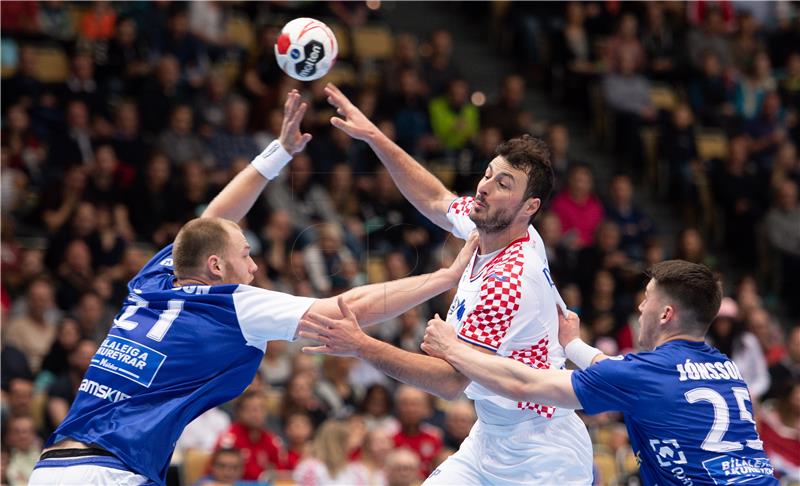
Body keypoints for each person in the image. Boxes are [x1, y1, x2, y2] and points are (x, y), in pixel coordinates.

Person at [27, 91, 476, 486]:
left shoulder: (153, 281)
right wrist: (443, 278)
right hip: (110, 473)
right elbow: (345, 308)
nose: (256, 266)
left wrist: (278, 152)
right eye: (246, 254)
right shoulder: (232, 304)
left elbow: (209, 223)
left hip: (53, 468)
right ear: (216, 265)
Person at [300, 84, 593, 484]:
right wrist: (375, 137)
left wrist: (361, 345)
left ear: (530, 208)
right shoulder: (484, 229)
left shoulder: (509, 279)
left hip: (542, 453)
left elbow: (450, 380)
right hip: (490, 436)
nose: (485, 187)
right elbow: (435, 199)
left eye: (504, 184)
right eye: (488, 174)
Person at [421, 260, 778, 485]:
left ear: (666, 314)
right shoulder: (725, 367)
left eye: (647, 298)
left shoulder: (648, 374)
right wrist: (573, 345)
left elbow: (524, 382)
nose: (640, 306)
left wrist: (453, 349)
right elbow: (621, 371)